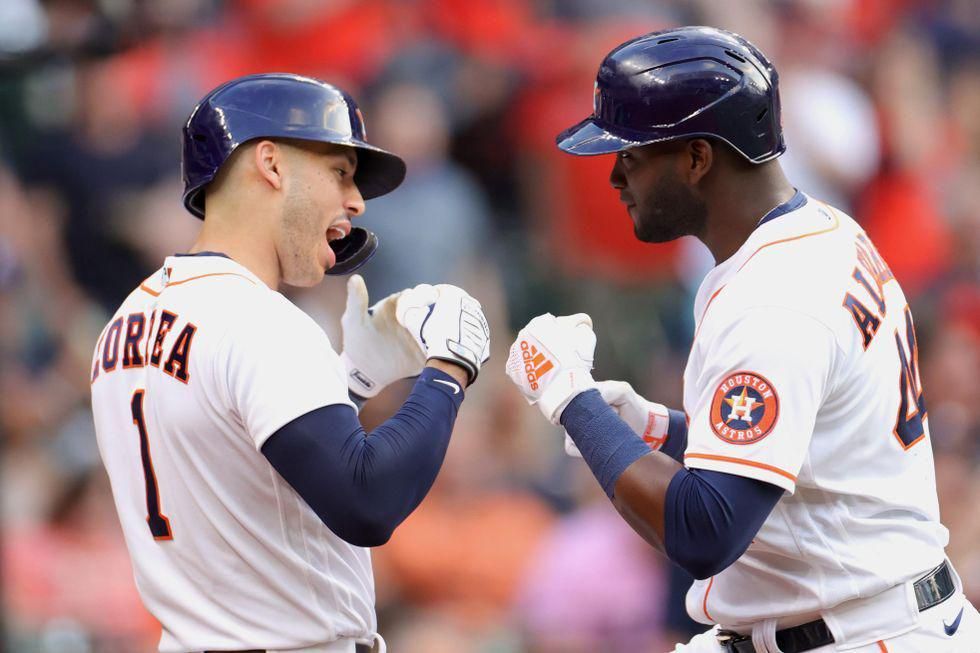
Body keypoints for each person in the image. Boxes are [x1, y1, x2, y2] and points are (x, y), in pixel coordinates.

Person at [505, 26, 979, 652]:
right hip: (868, 612)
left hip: (858, 633)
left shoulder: (776, 300)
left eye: (633, 156)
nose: (616, 179)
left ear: (698, 158)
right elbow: (790, 458)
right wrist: (647, 428)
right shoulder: (818, 232)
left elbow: (704, 531)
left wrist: (571, 400)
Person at [90, 73, 490, 653]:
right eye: (339, 173)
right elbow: (366, 502)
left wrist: (348, 387)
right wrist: (447, 370)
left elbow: (249, 473)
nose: (355, 201)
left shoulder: (124, 322)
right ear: (272, 165)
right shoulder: (257, 318)